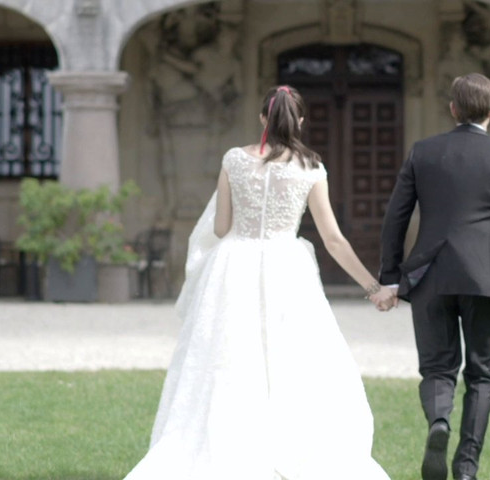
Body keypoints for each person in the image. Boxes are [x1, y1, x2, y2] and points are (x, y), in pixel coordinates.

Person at [123, 85, 393, 480]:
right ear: (299, 121)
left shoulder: (234, 159)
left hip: (234, 266)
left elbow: (220, 226)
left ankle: (227, 448)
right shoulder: (312, 168)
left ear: (263, 118)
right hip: (288, 269)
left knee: (228, 360)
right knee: (293, 361)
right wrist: (373, 287)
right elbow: (333, 240)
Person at [378, 73, 490, 480]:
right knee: (481, 374)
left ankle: (439, 421)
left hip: (429, 275)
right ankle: (466, 468)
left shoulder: (423, 152)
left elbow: (395, 218)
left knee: (437, 368)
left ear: (453, 109)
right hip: (487, 279)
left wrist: (390, 277)